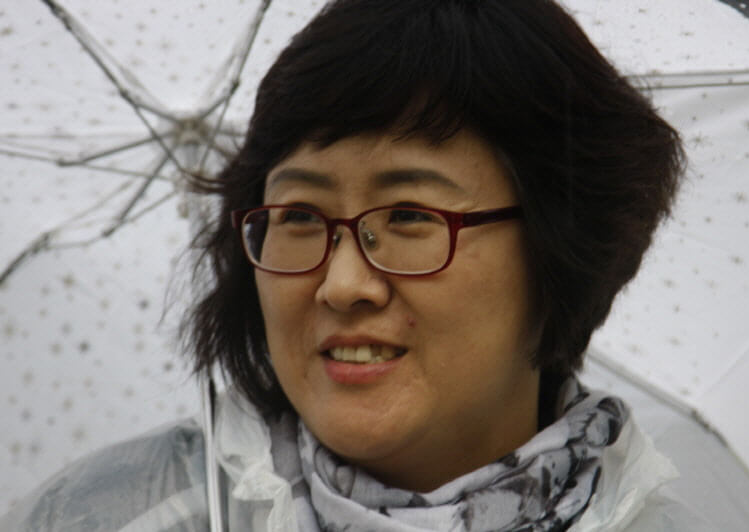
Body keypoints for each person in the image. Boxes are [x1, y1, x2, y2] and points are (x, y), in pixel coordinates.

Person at [2, 0, 700, 530]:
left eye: (409, 217)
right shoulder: (103, 516)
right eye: (301, 217)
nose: (342, 285)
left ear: (562, 246)